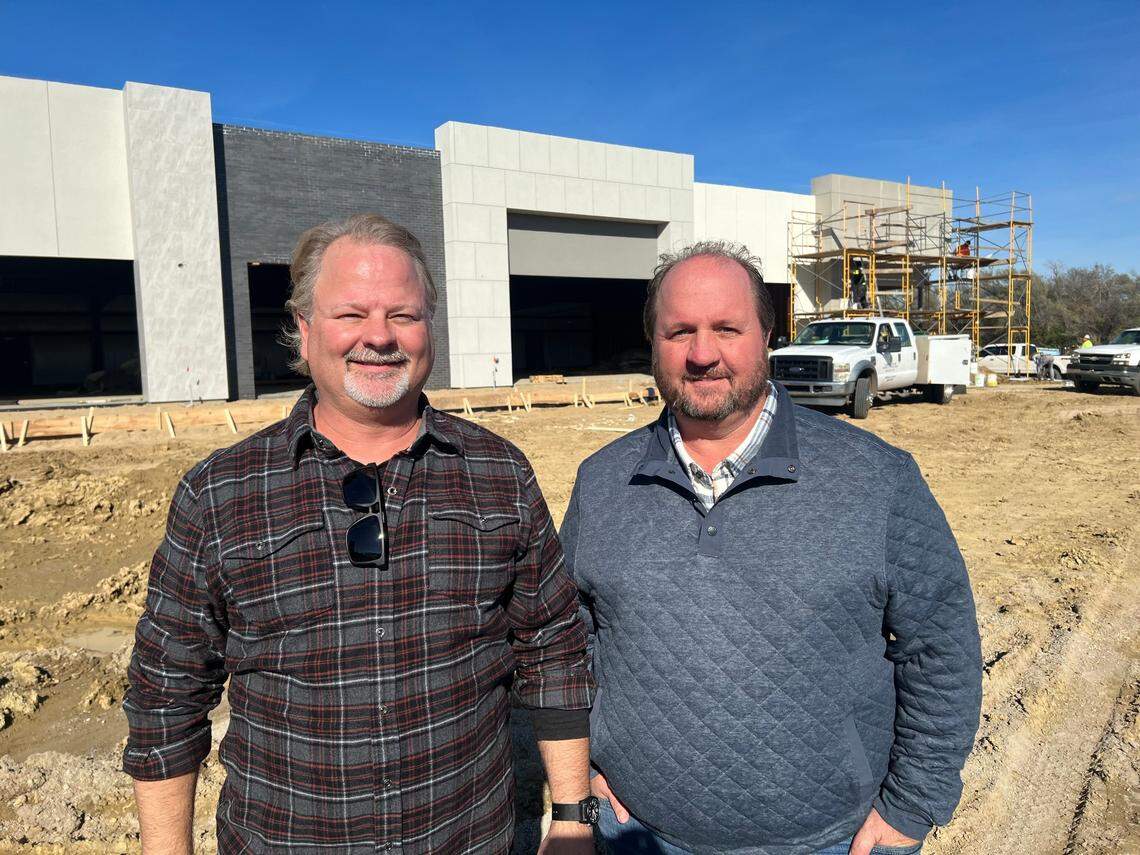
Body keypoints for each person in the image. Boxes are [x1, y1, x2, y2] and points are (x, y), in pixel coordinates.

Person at [123, 214, 597, 854]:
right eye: (352, 314)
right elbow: (165, 692)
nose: (379, 337)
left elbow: (554, 648)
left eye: (403, 314)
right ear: (304, 329)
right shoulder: (220, 493)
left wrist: (570, 815)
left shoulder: (499, 474)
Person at [563, 241, 982, 854]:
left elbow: (941, 648)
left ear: (767, 334)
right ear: (654, 343)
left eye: (726, 329)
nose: (703, 354)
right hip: (637, 834)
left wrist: (911, 808)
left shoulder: (876, 479)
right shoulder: (602, 481)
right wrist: (582, 782)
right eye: (680, 331)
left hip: (832, 840)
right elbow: (564, 644)